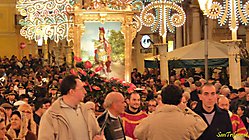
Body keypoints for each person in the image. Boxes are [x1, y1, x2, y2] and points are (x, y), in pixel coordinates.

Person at [38, 75, 103, 140]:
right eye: (82, 88)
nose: (85, 92)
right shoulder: (51, 116)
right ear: (71, 91)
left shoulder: (87, 111)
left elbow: (98, 133)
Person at [134, 84, 207, 140]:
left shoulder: (150, 120)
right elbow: (202, 125)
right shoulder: (188, 121)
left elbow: (137, 133)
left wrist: (157, 111)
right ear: (180, 100)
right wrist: (186, 108)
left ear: (162, 99)